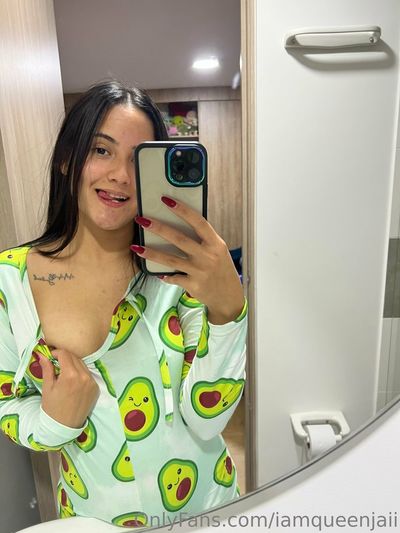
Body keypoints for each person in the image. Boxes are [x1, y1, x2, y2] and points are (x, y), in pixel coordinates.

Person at [0, 80, 248, 529]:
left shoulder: (180, 273)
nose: (120, 175)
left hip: (207, 509)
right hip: (95, 519)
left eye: (139, 161)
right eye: (101, 150)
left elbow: (207, 420)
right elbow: (8, 406)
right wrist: (55, 422)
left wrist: (230, 313)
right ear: (66, 158)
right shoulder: (9, 282)